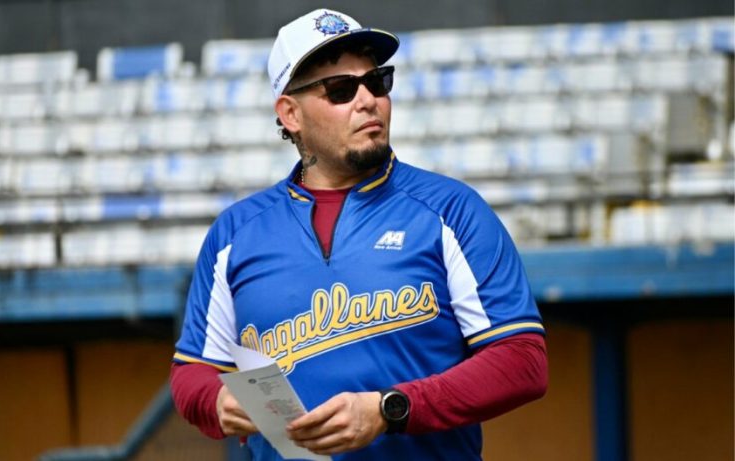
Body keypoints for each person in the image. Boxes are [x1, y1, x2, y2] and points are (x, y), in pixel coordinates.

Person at [171, 8, 548, 460]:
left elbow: (522, 360)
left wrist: (391, 409)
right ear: (290, 114)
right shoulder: (235, 234)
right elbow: (192, 373)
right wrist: (217, 401)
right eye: (341, 89)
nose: (368, 100)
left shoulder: (450, 210)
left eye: (377, 81)